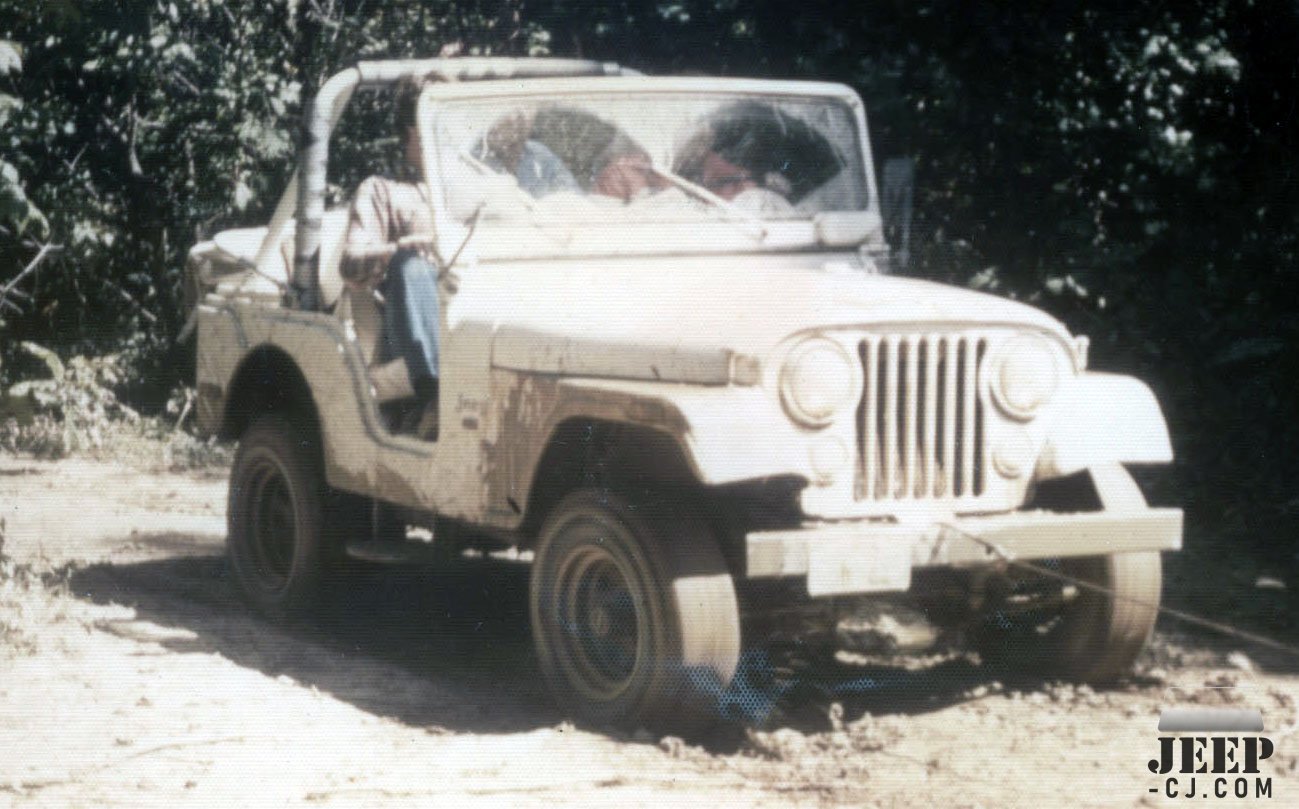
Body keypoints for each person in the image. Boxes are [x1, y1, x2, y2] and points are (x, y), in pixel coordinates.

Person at [341, 76, 441, 430]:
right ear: (414, 128)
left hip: (471, 315)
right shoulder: (382, 190)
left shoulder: (476, 186)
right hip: (405, 329)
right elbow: (351, 262)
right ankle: (435, 395)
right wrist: (397, 249)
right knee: (410, 266)